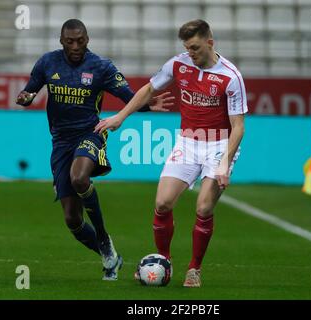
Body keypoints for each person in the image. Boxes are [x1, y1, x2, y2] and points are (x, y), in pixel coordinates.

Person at [16, 19, 173, 281]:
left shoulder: (100, 67)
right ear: (61, 41)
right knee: (71, 219)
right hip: (61, 143)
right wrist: (25, 97)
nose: (76, 46)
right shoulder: (47, 63)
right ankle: (109, 254)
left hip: (91, 133)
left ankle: (102, 236)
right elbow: (29, 90)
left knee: (79, 177)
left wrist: (147, 105)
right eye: (70, 41)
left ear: (87, 39)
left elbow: (128, 95)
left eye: (80, 40)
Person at [96, 19, 248, 287]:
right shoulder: (178, 64)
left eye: (195, 48)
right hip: (188, 143)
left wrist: (224, 163)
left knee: (203, 206)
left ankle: (194, 269)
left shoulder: (231, 76)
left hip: (219, 145)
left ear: (210, 42)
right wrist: (121, 117)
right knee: (163, 203)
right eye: (187, 48)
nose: (191, 53)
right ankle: (163, 260)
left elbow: (238, 127)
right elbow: (149, 89)